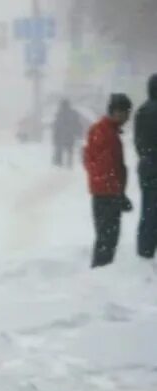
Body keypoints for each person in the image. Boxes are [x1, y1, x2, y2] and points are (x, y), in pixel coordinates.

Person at [83, 94, 135, 268]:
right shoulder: (105, 133)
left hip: (104, 192)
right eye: (126, 112)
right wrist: (117, 194)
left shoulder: (104, 130)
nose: (128, 117)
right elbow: (106, 167)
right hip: (106, 194)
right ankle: (100, 274)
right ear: (117, 111)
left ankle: (101, 272)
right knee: (107, 240)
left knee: (106, 238)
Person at [135, 74, 157, 259]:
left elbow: (138, 142)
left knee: (148, 210)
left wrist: (146, 156)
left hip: (147, 166)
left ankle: (145, 250)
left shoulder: (142, 111)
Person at [52, 100, 84, 168]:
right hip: (70, 136)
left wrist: (55, 136)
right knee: (70, 150)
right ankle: (69, 164)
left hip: (61, 136)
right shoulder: (73, 113)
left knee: (59, 150)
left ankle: (59, 164)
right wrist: (79, 134)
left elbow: (56, 125)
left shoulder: (60, 113)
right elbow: (77, 124)